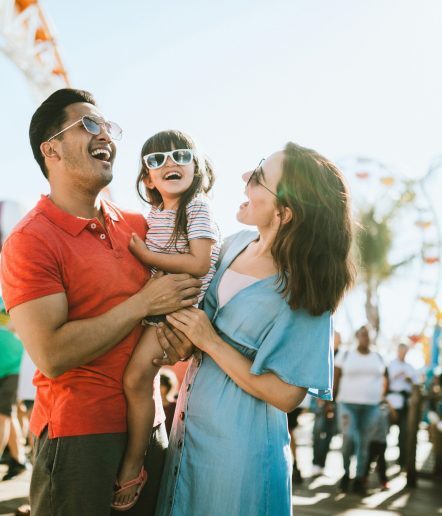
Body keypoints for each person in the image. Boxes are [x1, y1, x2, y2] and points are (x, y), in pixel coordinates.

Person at [0, 89, 199, 516]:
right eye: (89, 125)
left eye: (108, 127)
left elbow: (176, 300)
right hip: (79, 439)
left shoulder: (138, 226)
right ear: (50, 149)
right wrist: (142, 303)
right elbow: (52, 355)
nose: (105, 134)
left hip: (151, 431)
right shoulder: (29, 241)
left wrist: (178, 337)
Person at [153, 142, 356, 515]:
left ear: (286, 212)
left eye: (260, 177)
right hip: (188, 435)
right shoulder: (232, 244)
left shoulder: (305, 289)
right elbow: (196, 333)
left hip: (240, 454)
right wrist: (183, 341)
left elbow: (287, 395)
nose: (246, 177)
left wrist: (210, 341)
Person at [112, 130, 220, 510]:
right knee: (137, 378)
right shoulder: (158, 214)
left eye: (179, 155)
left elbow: (199, 263)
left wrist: (145, 256)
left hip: (178, 311)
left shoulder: (196, 207)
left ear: (197, 165)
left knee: (136, 378)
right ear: (147, 179)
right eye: (156, 161)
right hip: (162, 308)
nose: (169, 163)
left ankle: (132, 465)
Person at [334, 325, 388, 495]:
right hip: (347, 403)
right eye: (363, 334)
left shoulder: (379, 357)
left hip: (371, 406)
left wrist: (381, 396)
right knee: (348, 437)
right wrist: (329, 400)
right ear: (357, 336)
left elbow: (384, 380)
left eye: (368, 335)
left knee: (364, 443)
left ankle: (359, 479)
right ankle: (345, 473)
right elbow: (335, 377)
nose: (365, 337)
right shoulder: (346, 355)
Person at [0, 303, 27, 481]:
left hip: (13, 367)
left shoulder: (7, 299)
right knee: (9, 415)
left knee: (2, 415)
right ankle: (19, 460)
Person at [311, 331, 342, 476]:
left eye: (337, 339)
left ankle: (322, 464)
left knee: (330, 433)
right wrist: (319, 397)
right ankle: (315, 463)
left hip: (336, 401)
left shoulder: (342, 356)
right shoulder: (322, 354)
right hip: (321, 400)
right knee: (318, 431)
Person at [386, 342, 417, 469]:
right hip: (391, 402)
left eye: (405, 351)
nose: (403, 353)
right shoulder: (390, 365)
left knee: (404, 433)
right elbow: (385, 382)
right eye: (401, 351)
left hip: (404, 403)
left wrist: (409, 379)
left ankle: (402, 462)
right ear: (397, 351)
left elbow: (416, 383)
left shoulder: (410, 367)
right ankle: (378, 461)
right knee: (384, 432)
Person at [159, 370, 178, 437]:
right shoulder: (151, 406)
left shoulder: (175, 407)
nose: (158, 388)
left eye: (161, 385)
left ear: (167, 387)